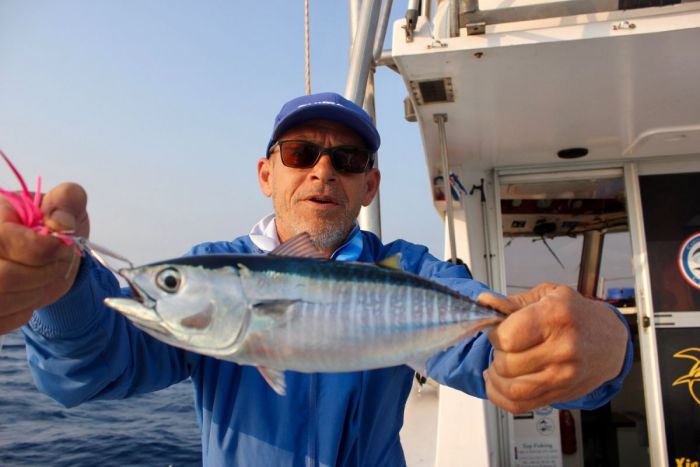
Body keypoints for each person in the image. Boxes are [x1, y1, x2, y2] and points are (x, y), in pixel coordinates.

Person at [0, 92, 632, 466]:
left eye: (347, 159)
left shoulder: (409, 270)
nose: (322, 172)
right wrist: (60, 293)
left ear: (369, 185)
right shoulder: (213, 268)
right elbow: (91, 370)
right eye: (301, 154)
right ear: (266, 173)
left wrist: (603, 353)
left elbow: (495, 348)